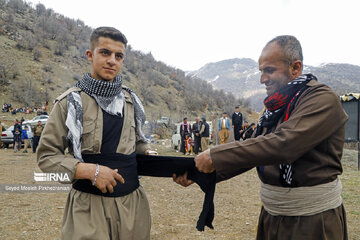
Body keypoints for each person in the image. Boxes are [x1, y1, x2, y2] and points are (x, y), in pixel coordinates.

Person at [176, 35, 348, 240]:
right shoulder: (275, 108)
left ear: (295, 67)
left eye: (269, 70)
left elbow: (284, 145)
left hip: (313, 222)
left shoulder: (321, 99)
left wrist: (216, 155)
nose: (262, 79)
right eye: (261, 71)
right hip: (272, 217)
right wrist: (198, 173)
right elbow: (255, 150)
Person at [37, 27, 157, 239]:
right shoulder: (70, 103)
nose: (112, 60)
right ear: (90, 55)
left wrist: (147, 151)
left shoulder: (131, 101)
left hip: (133, 206)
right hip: (88, 208)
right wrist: (88, 171)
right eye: (105, 53)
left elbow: (136, 142)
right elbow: (46, 158)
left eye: (118, 56)